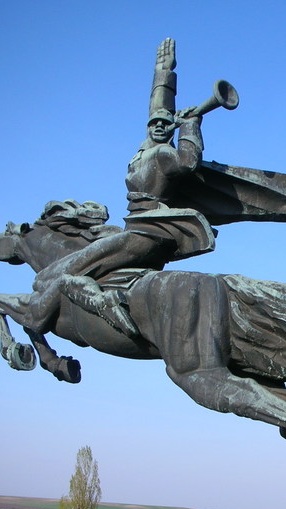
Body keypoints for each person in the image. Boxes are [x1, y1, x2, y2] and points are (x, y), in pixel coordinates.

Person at [21, 38, 215, 337]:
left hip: (146, 233)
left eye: (165, 124)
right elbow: (158, 108)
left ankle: (104, 303)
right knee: (72, 266)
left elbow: (188, 162)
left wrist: (191, 125)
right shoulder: (144, 152)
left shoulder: (164, 154)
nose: (159, 125)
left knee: (65, 272)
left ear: (171, 129)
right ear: (148, 127)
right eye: (154, 123)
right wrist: (163, 72)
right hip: (137, 228)